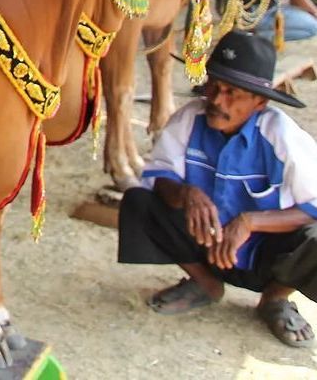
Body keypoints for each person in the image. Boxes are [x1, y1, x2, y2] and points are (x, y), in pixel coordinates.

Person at [118, 31, 317, 348]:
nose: (217, 100)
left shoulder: (281, 136)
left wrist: (250, 222)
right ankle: (205, 283)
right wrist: (186, 194)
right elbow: (158, 175)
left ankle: (275, 299)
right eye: (214, 86)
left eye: (232, 93)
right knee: (139, 201)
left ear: (259, 102)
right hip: (204, 245)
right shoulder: (189, 119)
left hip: (267, 257)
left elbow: (314, 207)